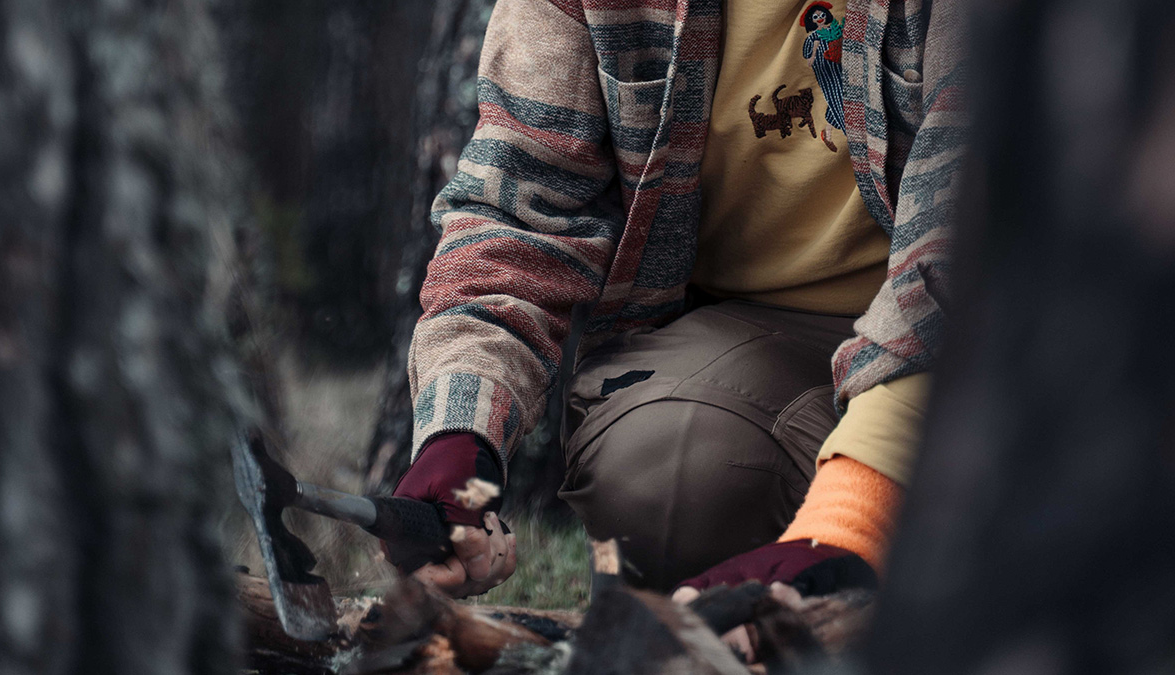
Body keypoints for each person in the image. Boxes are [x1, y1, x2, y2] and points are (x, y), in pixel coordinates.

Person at [388, 0, 966, 607]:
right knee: (663, 474)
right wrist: (460, 434)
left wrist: (851, 521)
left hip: (995, 333)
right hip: (751, 332)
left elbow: (990, 224)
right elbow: (521, 207)